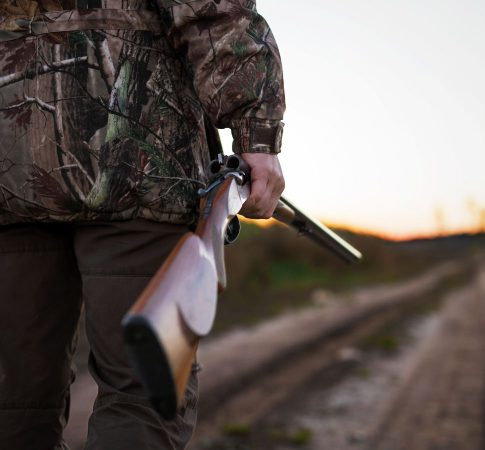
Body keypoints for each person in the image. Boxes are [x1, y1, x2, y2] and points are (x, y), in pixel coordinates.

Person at [0, 0, 285, 448]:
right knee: (143, 392)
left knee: (14, 404)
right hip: (139, 166)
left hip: (8, 176)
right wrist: (257, 131)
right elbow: (210, 9)